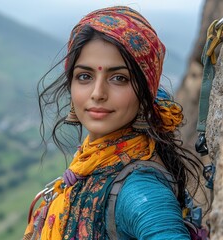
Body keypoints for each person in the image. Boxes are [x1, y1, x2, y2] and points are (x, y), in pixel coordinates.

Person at [23, 6, 206, 240]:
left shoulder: (140, 190)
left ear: (144, 92)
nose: (98, 93)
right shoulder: (94, 163)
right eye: (85, 76)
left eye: (119, 78)